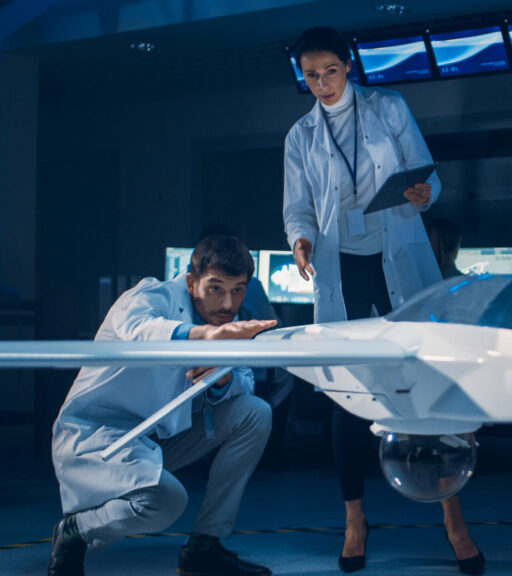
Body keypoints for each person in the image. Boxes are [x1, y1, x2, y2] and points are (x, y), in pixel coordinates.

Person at [282, 26, 484, 575]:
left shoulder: (388, 107)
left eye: (329, 70)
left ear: (348, 67)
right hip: (341, 267)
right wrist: (299, 240)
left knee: (425, 388)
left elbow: (427, 176)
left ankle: (453, 520)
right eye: (310, 75)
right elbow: (297, 207)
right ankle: (355, 520)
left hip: (396, 254)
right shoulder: (299, 135)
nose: (321, 83)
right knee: (348, 398)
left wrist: (425, 192)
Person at [47, 236, 277, 576]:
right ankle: (74, 531)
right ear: (190, 282)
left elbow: (244, 378)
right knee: (167, 502)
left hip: (153, 437)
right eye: (216, 288)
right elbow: (139, 330)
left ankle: (204, 548)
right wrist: (202, 337)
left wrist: (221, 380)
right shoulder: (150, 295)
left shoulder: (227, 319)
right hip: (98, 437)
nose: (228, 303)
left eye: (238, 289)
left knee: (254, 412)